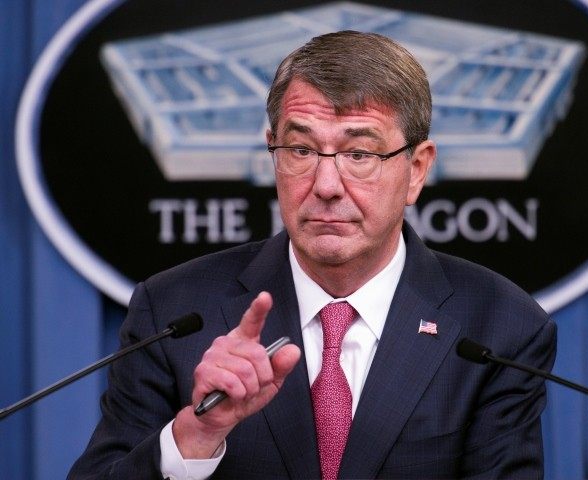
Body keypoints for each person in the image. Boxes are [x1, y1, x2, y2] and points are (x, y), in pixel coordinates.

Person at [69, 30, 556, 479]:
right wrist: (194, 438)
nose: (325, 186)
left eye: (359, 155)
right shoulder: (175, 313)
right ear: (273, 152)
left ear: (416, 169)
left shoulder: (498, 327)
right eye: (301, 150)